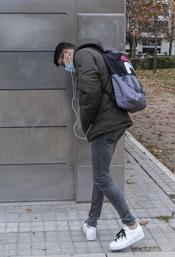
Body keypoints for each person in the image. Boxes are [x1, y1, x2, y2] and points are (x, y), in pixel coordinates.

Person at [53, 39, 144, 251]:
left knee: (102, 177)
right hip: (115, 122)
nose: (66, 67)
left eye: (62, 61)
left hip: (104, 125)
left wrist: (86, 124)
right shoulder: (94, 55)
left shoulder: (82, 56)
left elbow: (91, 94)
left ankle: (131, 225)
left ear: (67, 53)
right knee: (100, 175)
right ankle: (91, 223)